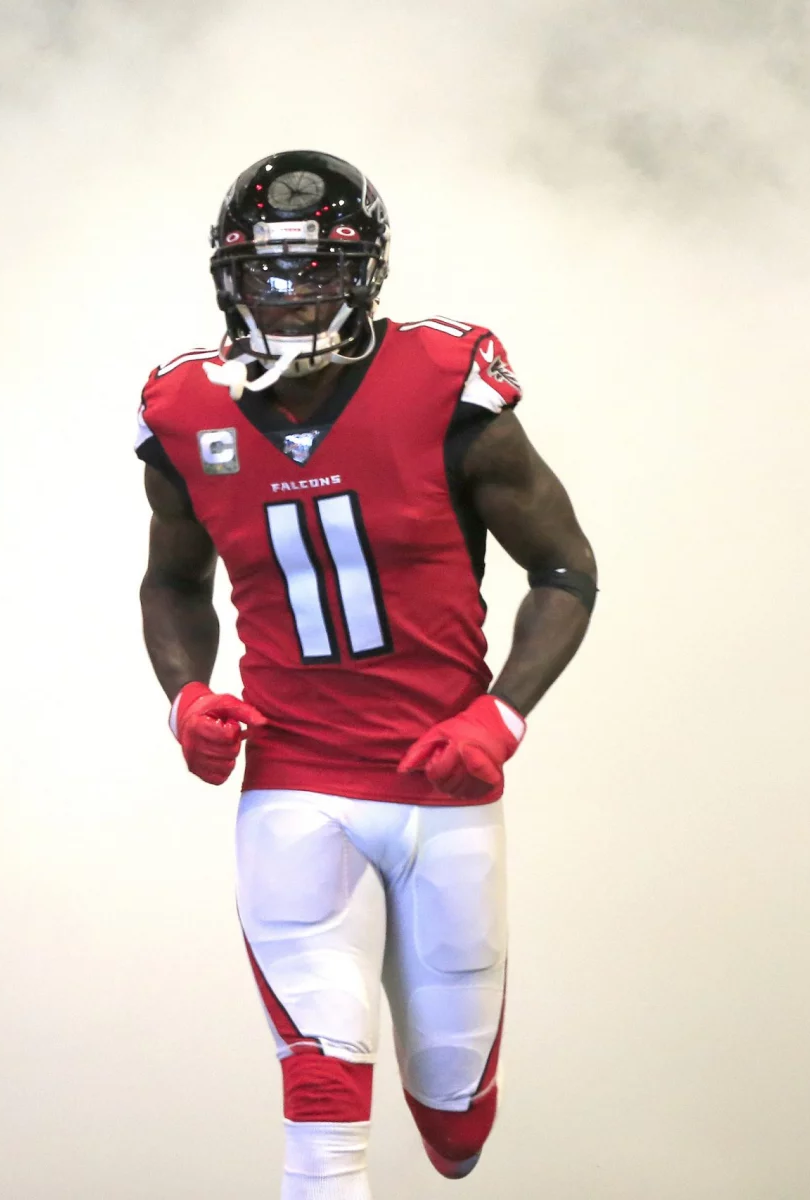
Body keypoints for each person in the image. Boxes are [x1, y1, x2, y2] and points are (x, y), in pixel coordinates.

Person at [136, 149, 596, 1199]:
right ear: (226, 279)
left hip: (443, 786)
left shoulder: (445, 386)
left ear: (367, 274)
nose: (290, 300)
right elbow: (172, 583)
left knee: (455, 1122)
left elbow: (566, 569)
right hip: (297, 783)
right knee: (323, 1091)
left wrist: (503, 716)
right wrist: (187, 699)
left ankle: (452, 1116)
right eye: (266, 275)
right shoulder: (186, 417)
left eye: (315, 273)